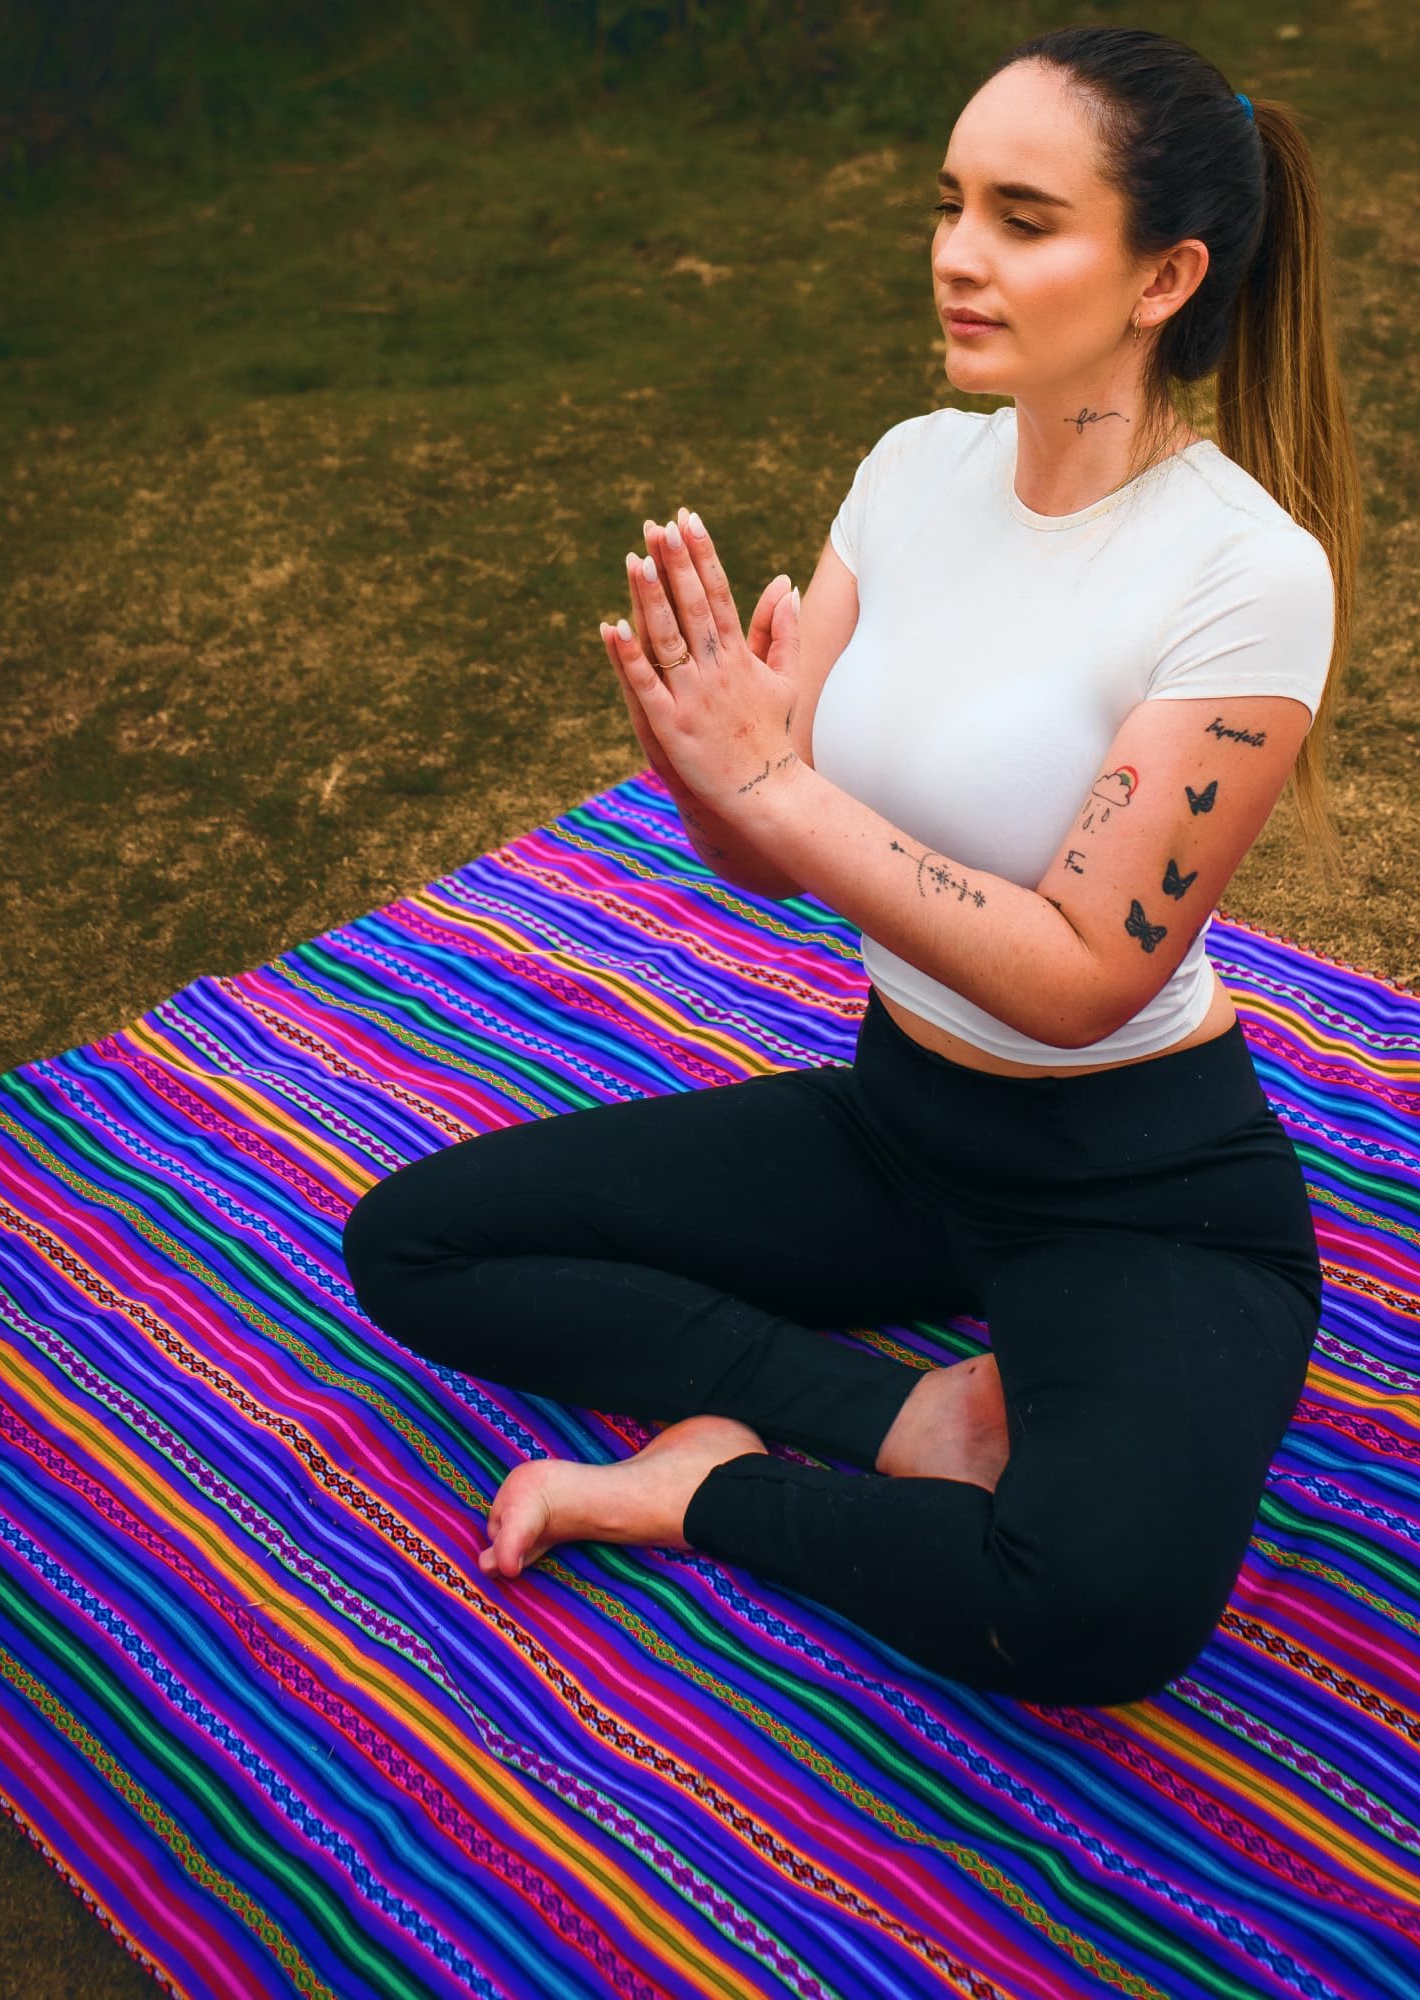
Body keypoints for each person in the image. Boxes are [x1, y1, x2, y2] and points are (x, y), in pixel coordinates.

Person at [343, 22, 1361, 1707]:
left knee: (1095, 1610)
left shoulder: (1244, 572)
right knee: (418, 1244)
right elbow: (767, 853)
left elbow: (1084, 970)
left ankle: (706, 1492)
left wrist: (778, 789)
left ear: (1165, 275)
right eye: (952, 203)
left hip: (1134, 1177)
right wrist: (713, 777)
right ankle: (896, 1418)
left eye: (1024, 219)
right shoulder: (909, 470)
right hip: (899, 1123)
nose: (958, 253)